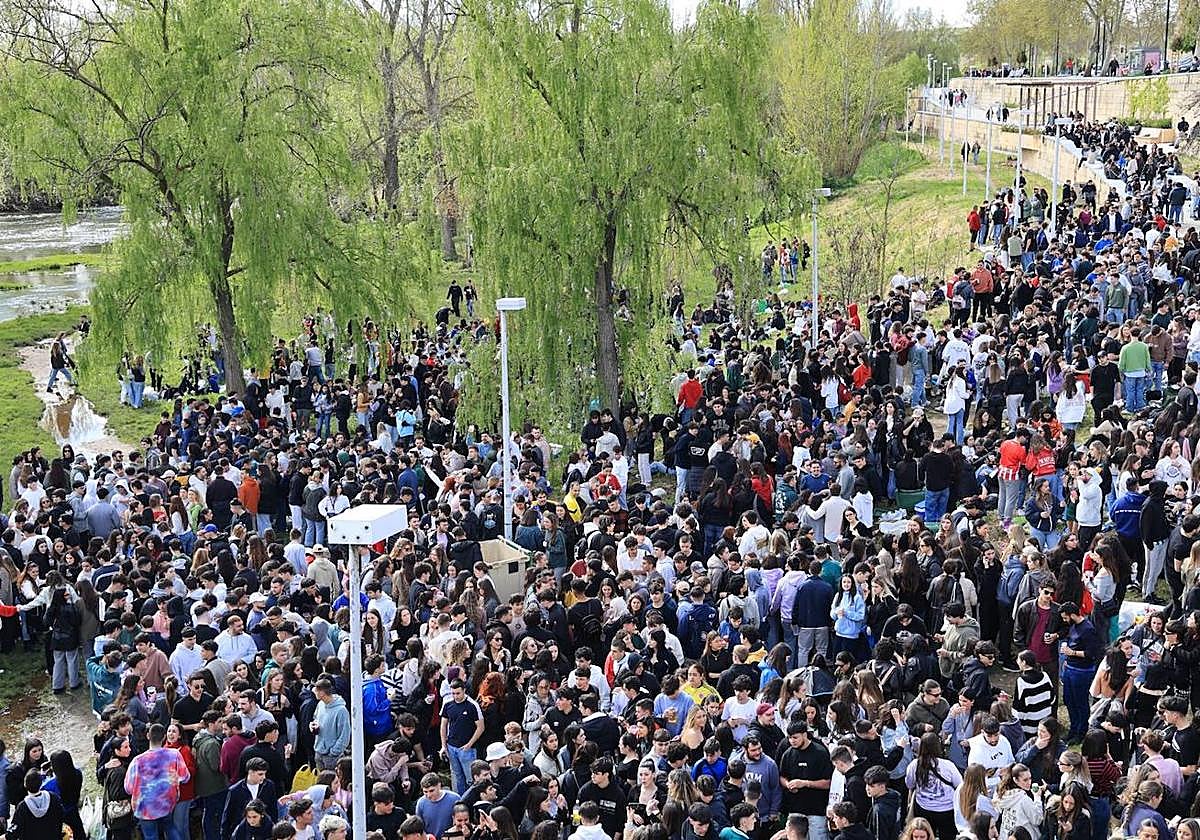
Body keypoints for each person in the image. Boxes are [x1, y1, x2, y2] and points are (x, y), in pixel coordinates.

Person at [124, 723, 192, 840]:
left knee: (151, 836)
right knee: (170, 828)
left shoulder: (137, 761)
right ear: (164, 737)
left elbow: (128, 788)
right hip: (166, 803)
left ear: (148, 736)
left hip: (145, 808)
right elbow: (185, 777)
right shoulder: (174, 754)